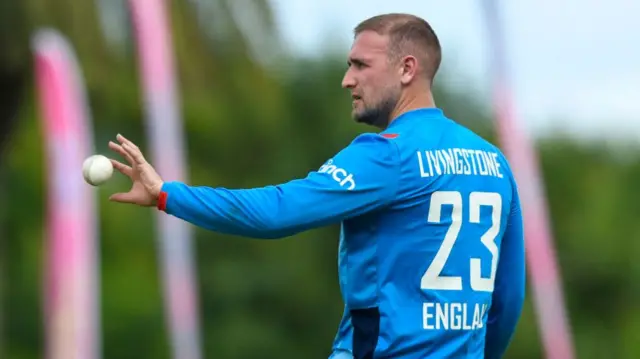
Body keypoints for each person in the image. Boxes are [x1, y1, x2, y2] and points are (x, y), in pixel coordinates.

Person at [108, 13, 525, 359]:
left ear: (406, 69)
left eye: (361, 65)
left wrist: (168, 194)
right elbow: (507, 297)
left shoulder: (386, 155)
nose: (348, 79)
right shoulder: (494, 162)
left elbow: (276, 211)